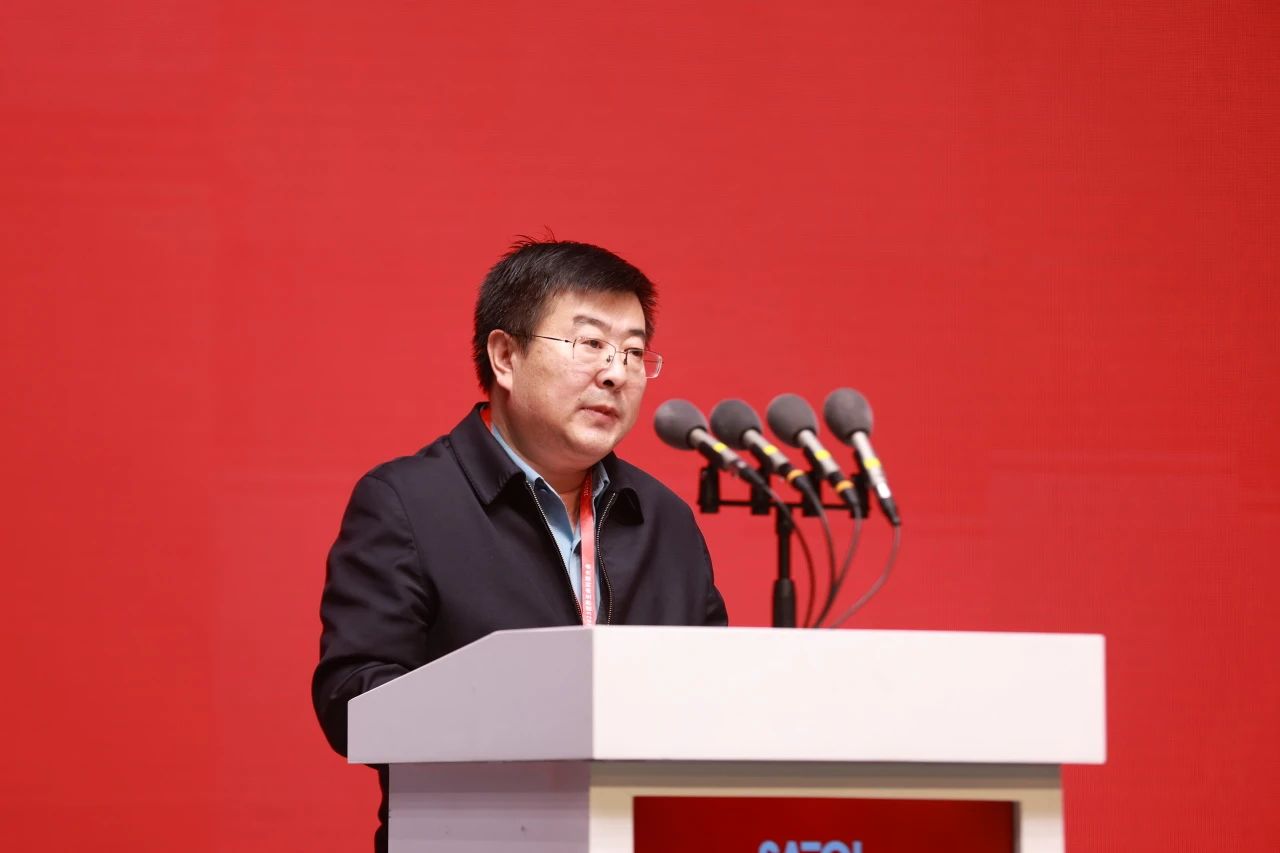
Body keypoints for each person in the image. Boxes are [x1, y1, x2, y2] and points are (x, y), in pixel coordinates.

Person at [311, 238, 728, 851]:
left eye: (634, 352)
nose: (615, 372)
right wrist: (523, 709)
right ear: (505, 357)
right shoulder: (409, 502)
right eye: (590, 344)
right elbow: (351, 700)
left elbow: (715, 693)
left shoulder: (663, 519)